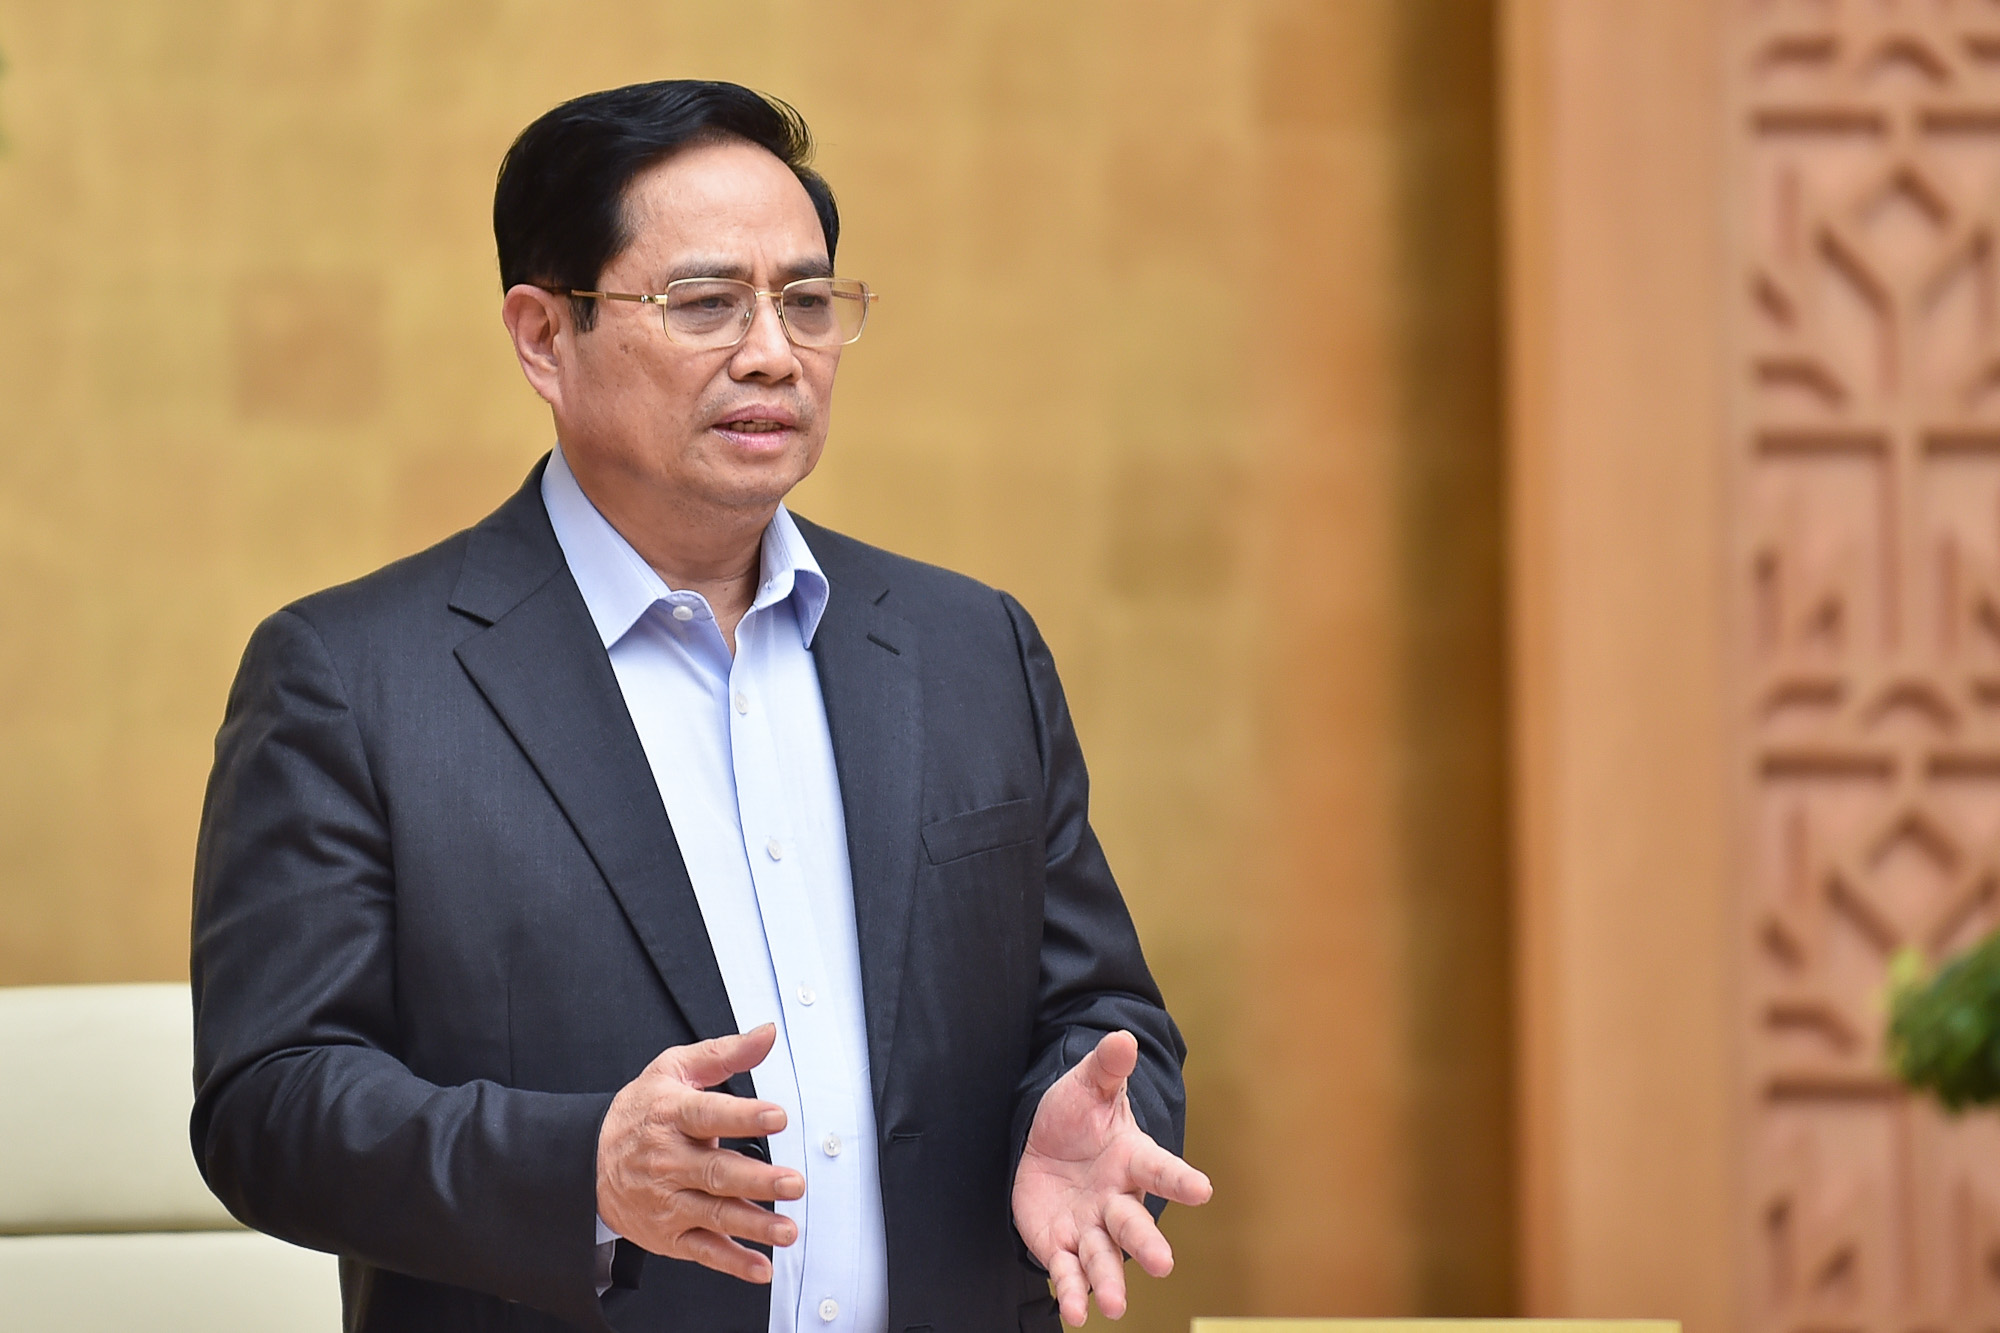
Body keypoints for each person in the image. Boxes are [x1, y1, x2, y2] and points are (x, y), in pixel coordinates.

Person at [189, 79, 1208, 1333]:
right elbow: (269, 1105)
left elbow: (1101, 1013)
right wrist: (581, 1168)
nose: (774, 352)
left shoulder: (967, 650)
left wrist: (1075, 1114)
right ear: (542, 336)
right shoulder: (356, 681)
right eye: (707, 302)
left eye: (807, 302)